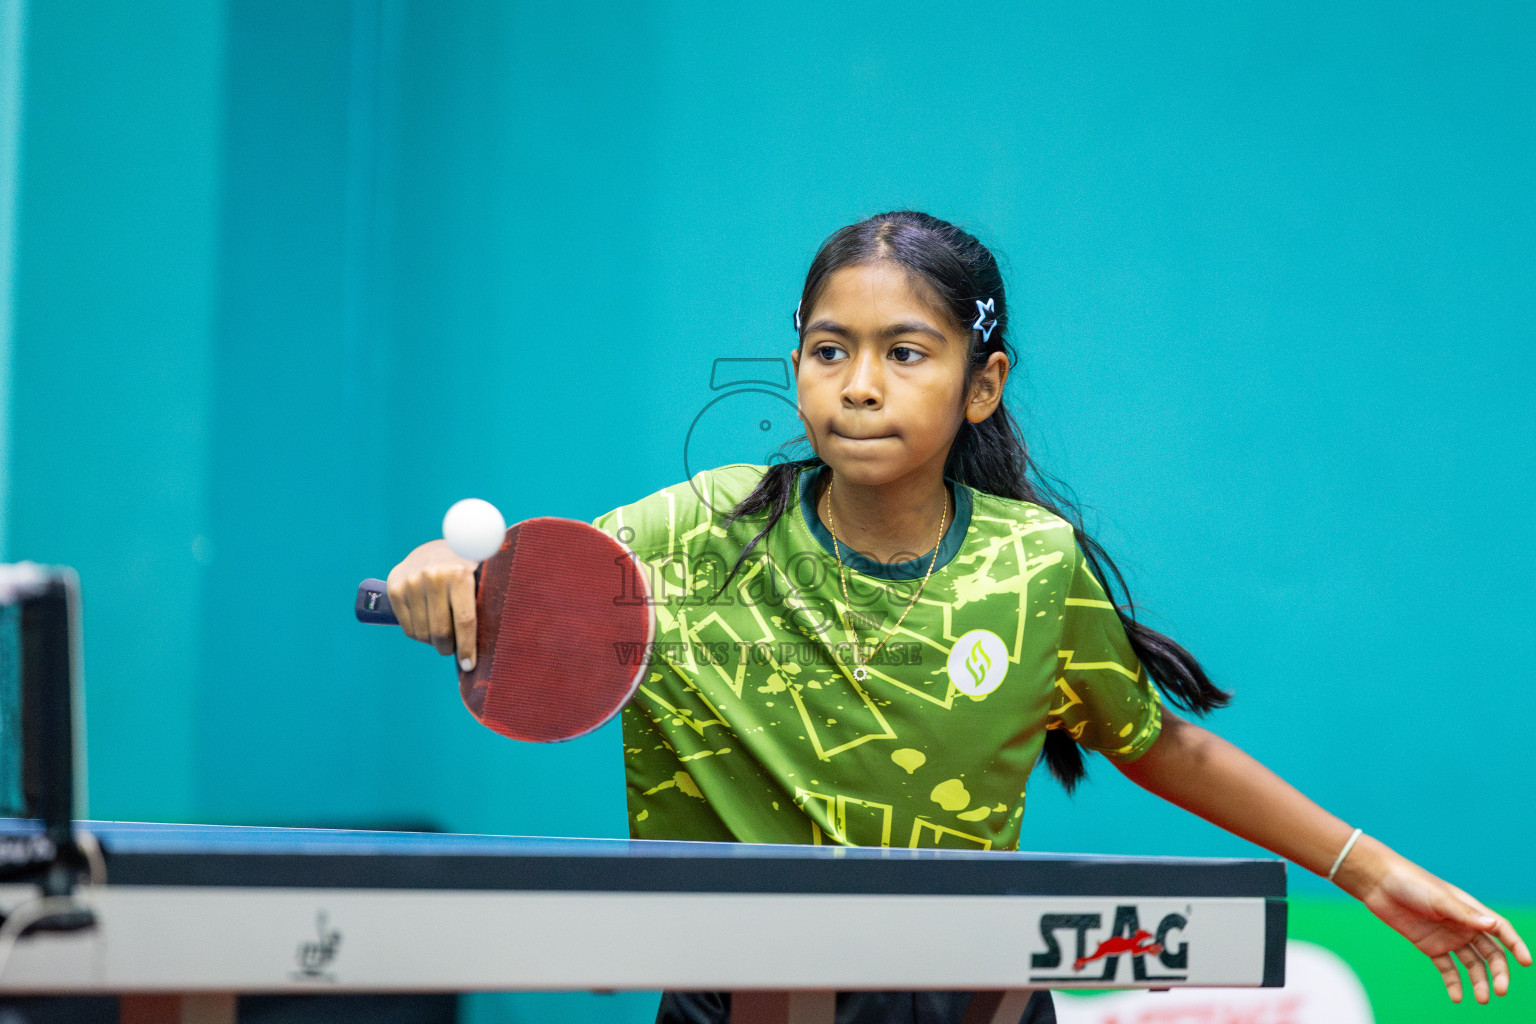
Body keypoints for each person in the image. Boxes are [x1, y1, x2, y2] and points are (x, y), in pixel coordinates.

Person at [385, 211, 1530, 1023]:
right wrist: (434, 568)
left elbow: (1154, 741)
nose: (861, 383)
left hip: (968, 994)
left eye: (906, 352)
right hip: (733, 995)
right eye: (830, 351)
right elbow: (515, 587)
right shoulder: (704, 525)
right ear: (796, 369)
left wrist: (1370, 871)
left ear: (983, 383)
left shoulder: (1034, 565)